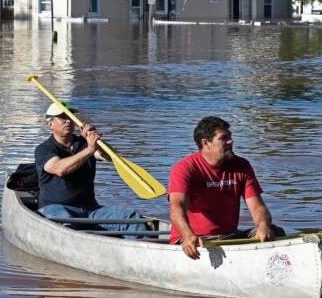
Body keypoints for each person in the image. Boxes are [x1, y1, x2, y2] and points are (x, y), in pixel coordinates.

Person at [168, 116, 285, 259]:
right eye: (224, 138)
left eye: (230, 136)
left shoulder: (242, 165)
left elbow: (257, 207)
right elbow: (176, 208)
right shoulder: (184, 168)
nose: (231, 141)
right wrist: (187, 235)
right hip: (197, 240)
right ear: (206, 143)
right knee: (194, 240)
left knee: (275, 231)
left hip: (230, 236)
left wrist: (263, 224)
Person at [34, 102, 141, 235]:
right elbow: (59, 169)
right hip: (56, 209)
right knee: (67, 227)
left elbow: (110, 157)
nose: (68, 121)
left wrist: (97, 141)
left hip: (91, 210)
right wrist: (90, 149)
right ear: (50, 123)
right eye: (62, 117)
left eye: (70, 117)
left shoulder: (85, 143)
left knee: (133, 219)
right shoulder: (44, 149)